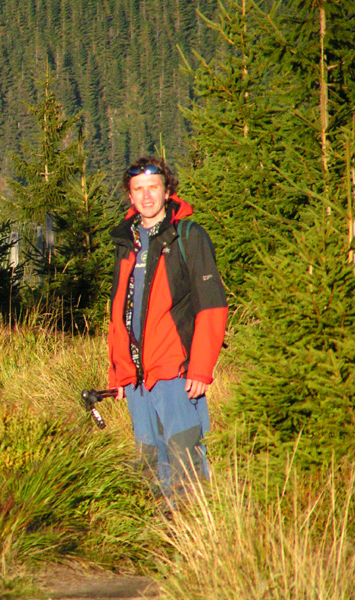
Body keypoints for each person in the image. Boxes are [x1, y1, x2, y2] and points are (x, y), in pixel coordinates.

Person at [107, 155, 228, 506]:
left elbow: (212, 306)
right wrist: (119, 373)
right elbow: (119, 311)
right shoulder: (126, 241)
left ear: (167, 190)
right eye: (138, 190)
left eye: (153, 188)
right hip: (136, 376)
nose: (146, 197)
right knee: (147, 456)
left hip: (176, 368)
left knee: (183, 452)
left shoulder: (188, 236)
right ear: (129, 196)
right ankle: (153, 538)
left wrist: (201, 368)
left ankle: (189, 535)